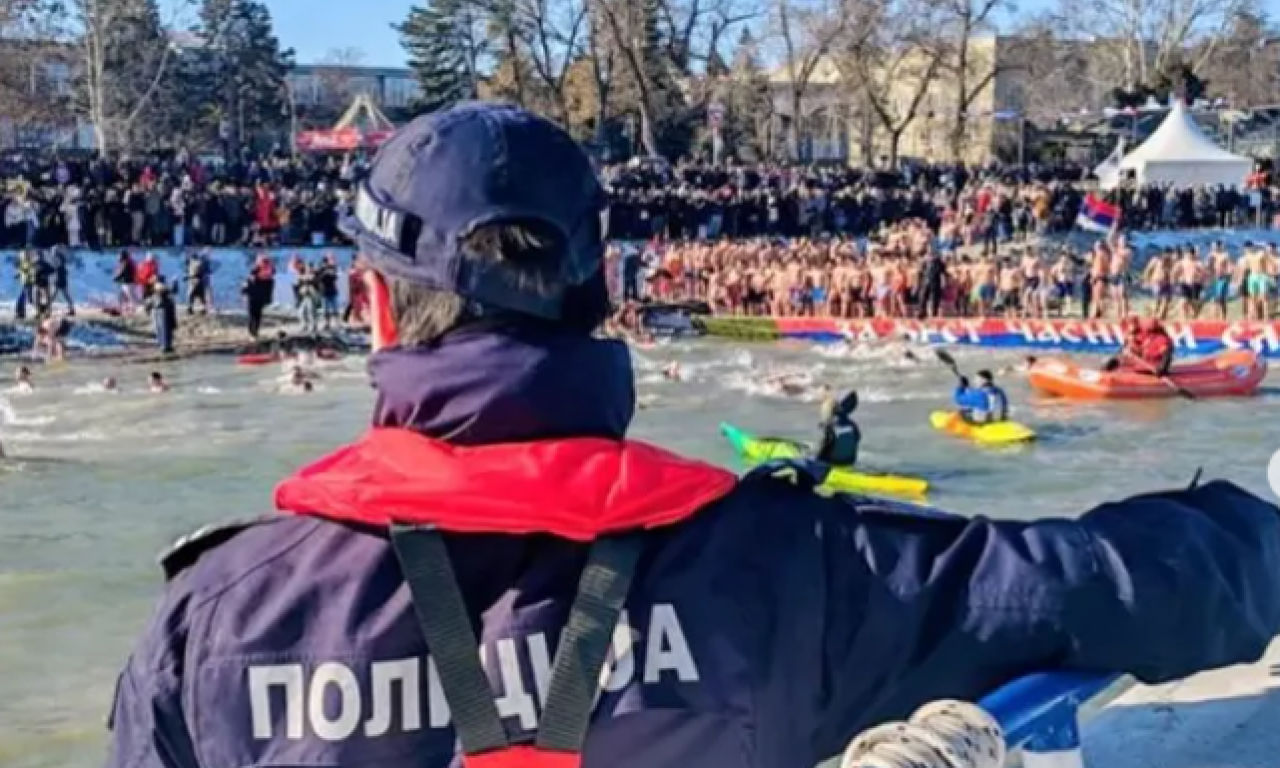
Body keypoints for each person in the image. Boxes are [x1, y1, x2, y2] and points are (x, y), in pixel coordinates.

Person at [104, 104, 1280, 768]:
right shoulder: (797, 567)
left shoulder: (213, 621)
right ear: (606, 282)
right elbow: (1120, 582)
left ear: (369, 306)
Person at [815, 390, 860, 467]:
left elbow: (825, 447)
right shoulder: (853, 425)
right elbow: (858, 437)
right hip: (849, 461)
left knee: (825, 443)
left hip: (831, 462)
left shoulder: (830, 425)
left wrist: (816, 460)